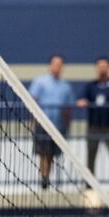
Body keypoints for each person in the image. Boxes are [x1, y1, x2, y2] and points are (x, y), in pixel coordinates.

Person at [76, 56, 109, 189]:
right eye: (100, 66)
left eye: (105, 66)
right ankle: (89, 180)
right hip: (94, 126)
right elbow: (81, 98)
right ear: (96, 68)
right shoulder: (91, 85)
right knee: (91, 153)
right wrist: (82, 101)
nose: (102, 68)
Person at [29, 54, 74, 190]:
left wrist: (67, 125)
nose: (57, 67)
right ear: (49, 66)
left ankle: (47, 177)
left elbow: (68, 107)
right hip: (42, 124)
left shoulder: (66, 86)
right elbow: (32, 101)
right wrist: (34, 121)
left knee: (52, 154)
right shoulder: (39, 82)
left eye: (59, 64)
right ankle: (44, 179)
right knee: (43, 153)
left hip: (58, 126)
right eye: (54, 64)